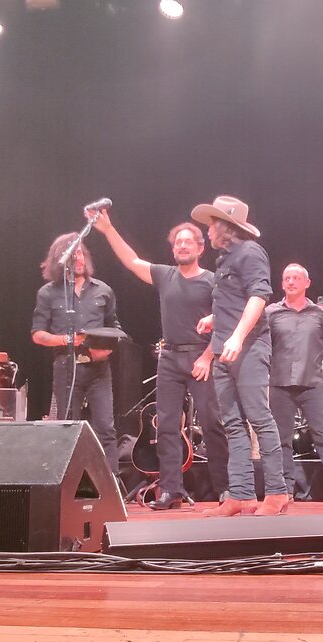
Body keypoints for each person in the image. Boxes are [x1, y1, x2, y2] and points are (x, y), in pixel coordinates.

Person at [88, 209, 229, 509]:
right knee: (165, 425)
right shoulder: (165, 275)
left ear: (200, 248)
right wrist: (108, 229)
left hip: (201, 357)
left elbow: (227, 321)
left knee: (212, 422)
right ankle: (170, 491)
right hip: (170, 358)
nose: (182, 246)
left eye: (188, 242)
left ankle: (225, 489)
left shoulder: (212, 281)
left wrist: (207, 357)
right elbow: (132, 261)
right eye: (178, 242)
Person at [191, 195, 290, 517]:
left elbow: (259, 297)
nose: (207, 231)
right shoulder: (224, 261)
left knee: (260, 419)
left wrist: (237, 335)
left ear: (226, 226)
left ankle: (277, 493)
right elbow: (233, 302)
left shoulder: (250, 253)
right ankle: (241, 495)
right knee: (232, 424)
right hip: (224, 350)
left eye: (211, 225)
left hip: (247, 347)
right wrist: (215, 320)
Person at [31, 233, 122, 477]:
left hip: (99, 370)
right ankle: (69, 484)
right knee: (68, 428)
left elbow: (115, 328)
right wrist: (68, 340)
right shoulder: (48, 293)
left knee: (106, 427)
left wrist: (108, 347)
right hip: (66, 367)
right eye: (72, 255)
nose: (78, 259)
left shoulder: (103, 290)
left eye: (80, 253)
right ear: (60, 261)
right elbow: (38, 334)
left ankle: (112, 484)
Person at [266, 264, 323, 505]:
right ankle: (285, 489)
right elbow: (261, 349)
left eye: (296, 278)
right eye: (287, 278)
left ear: (307, 283)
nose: (291, 282)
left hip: (312, 384)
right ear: (282, 284)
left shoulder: (319, 314)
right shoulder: (271, 313)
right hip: (280, 385)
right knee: (280, 439)